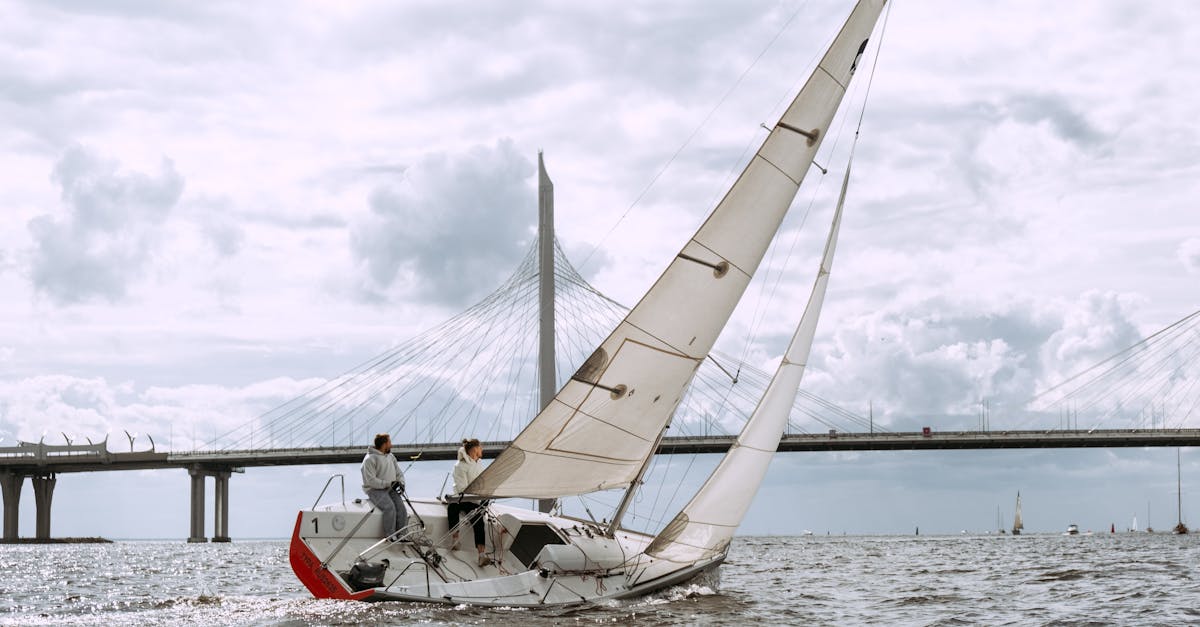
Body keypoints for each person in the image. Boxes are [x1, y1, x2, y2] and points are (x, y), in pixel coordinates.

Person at [447, 438, 490, 566]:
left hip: (474, 499)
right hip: (462, 498)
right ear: (475, 449)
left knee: (479, 522)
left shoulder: (479, 464)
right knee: (452, 508)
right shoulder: (460, 466)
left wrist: (484, 498)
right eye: (480, 447)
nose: (482, 450)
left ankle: (481, 555)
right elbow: (462, 487)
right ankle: (455, 540)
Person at [361, 433, 408, 538]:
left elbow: (399, 473)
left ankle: (402, 535)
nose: (391, 445)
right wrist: (388, 484)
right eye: (389, 442)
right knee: (389, 507)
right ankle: (390, 535)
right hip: (374, 490)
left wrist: (401, 483)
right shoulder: (369, 459)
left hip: (391, 489)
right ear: (384, 444)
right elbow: (371, 481)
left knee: (402, 509)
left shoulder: (391, 457)